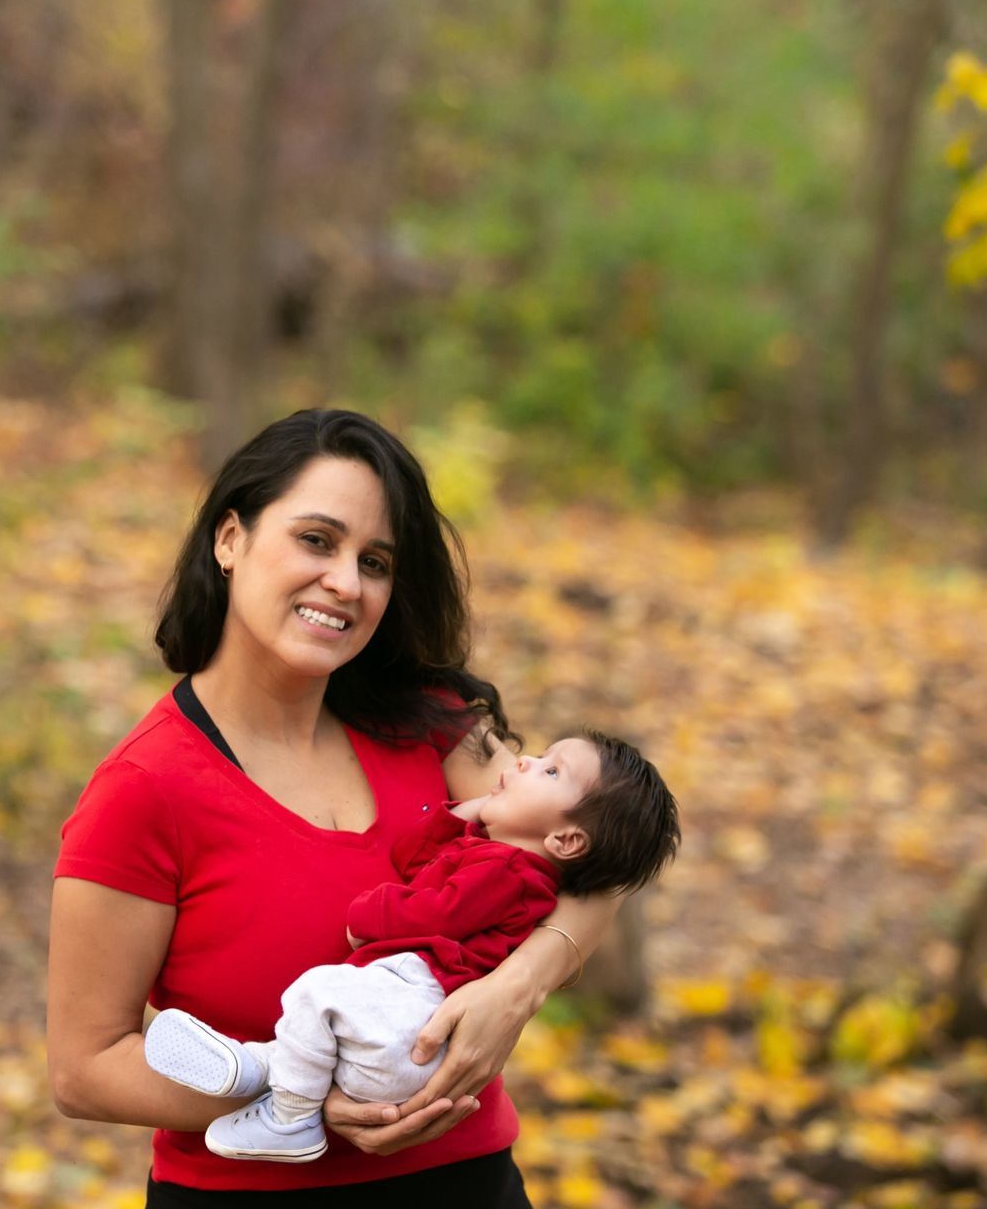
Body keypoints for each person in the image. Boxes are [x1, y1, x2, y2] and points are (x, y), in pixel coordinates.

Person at [47, 409, 641, 1203]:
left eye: (377, 561)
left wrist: (515, 992)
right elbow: (84, 1070)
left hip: (470, 1185)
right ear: (230, 540)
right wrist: (305, 1102)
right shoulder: (144, 789)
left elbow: (597, 860)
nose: (347, 583)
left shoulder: (429, 722)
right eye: (317, 541)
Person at [143, 730, 680, 1163]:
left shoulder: (512, 874)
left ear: (566, 841)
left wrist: (366, 920)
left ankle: (290, 1118)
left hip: (416, 1019)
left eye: (551, 770)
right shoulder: (491, 854)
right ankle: (256, 1068)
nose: (523, 761)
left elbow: (435, 910)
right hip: (404, 1024)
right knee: (319, 1018)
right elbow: (415, 862)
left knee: (317, 993)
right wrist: (460, 816)